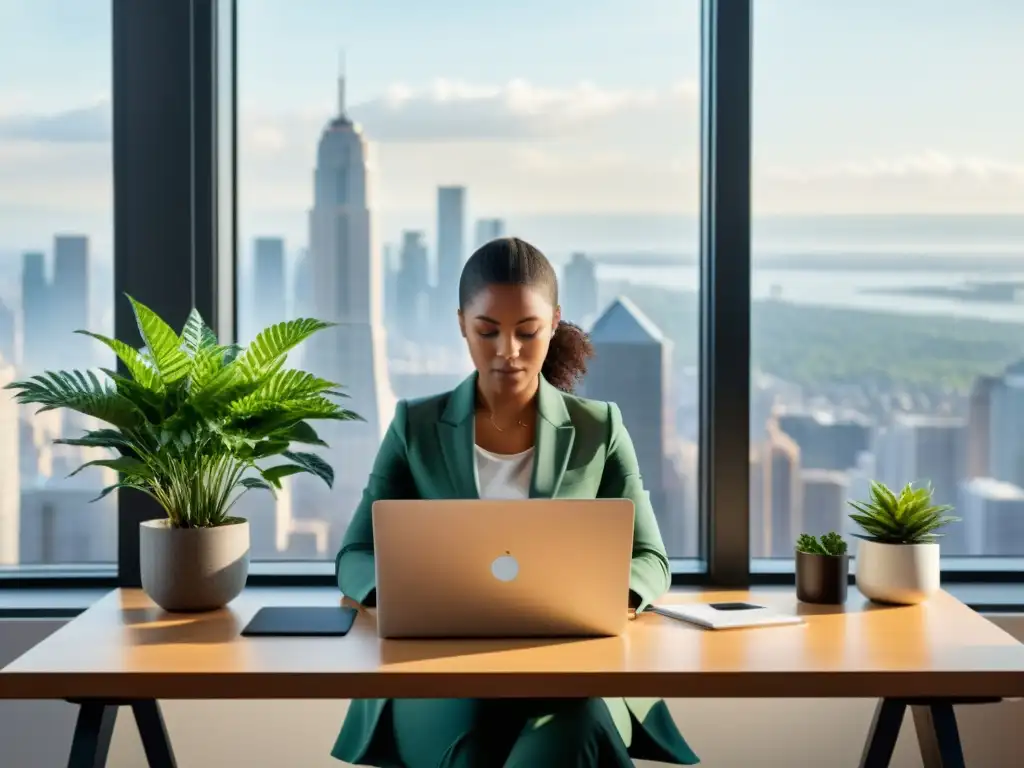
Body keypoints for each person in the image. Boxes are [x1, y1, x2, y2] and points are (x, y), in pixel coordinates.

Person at [331, 237, 699, 767]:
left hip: (572, 666)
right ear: (462, 323)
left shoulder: (599, 428)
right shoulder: (416, 426)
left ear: (554, 322)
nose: (508, 351)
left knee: (577, 725)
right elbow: (354, 555)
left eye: (527, 332)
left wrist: (607, 601)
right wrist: (400, 599)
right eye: (487, 331)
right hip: (441, 671)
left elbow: (651, 559)